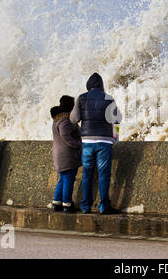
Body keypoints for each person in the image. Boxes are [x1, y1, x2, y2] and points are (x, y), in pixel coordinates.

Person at [70, 72, 122, 214]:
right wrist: (115, 135)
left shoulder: (81, 98)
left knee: (87, 173)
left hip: (86, 141)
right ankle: (104, 206)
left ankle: (86, 206)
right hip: (105, 141)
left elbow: (74, 119)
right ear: (101, 85)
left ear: (88, 85)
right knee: (104, 174)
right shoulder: (108, 98)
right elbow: (117, 119)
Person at [50, 95, 82, 213]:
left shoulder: (57, 120)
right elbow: (66, 137)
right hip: (66, 155)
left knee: (62, 179)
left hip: (59, 154)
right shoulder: (65, 121)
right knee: (68, 179)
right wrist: (78, 143)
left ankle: (56, 202)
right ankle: (67, 204)